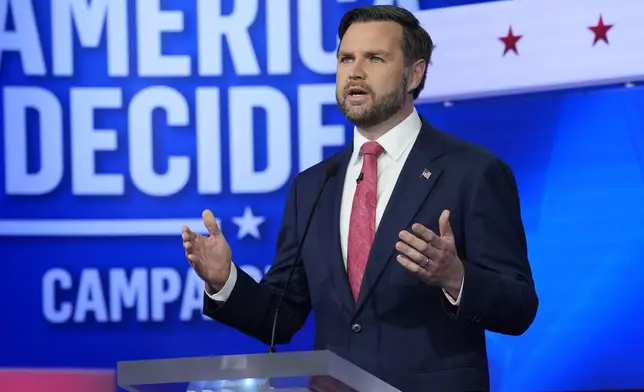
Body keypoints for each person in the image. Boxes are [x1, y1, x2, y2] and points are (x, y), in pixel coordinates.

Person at [182, 5, 538, 391]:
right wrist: (225, 280)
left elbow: (519, 308)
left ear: (414, 74)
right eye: (346, 58)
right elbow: (280, 317)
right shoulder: (313, 185)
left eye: (375, 58)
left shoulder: (473, 171)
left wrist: (456, 277)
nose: (355, 71)